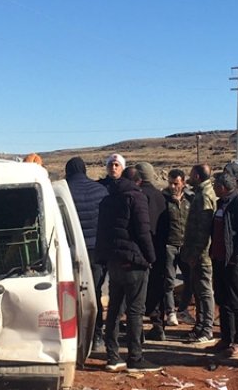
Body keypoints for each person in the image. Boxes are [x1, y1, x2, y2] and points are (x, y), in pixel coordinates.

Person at [94, 163, 159, 373]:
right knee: (134, 311)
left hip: (114, 260)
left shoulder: (107, 200)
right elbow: (143, 231)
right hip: (134, 261)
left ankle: (112, 356)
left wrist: (104, 257)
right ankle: (135, 356)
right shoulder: (136, 198)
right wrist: (150, 257)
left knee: (114, 309)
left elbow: (102, 233)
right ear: (138, 181)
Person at [64, 156, 110, 348]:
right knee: (94, 292)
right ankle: (96, 334)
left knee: (69, 293)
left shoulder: (62, 190)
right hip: (95, 250)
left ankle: (73, 334)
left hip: (70, 251)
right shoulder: (100, 190)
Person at [210, 172, 238, 357]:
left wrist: (236, 260)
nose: (213, 188)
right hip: (219, 260)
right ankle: (226, 338)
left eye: (215, 185)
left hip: (235, 263)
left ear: (223, 187)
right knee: (222, 301)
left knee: (237, 302)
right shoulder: (221, 204)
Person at [148, 168, 190, 340]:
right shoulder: (162, 199)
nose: (173, 186)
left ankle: (183, 310)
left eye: (176, 183)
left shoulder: (190, 200)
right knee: (169, 281)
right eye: (170, 183)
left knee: (190, 280)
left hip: (185, 246)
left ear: (183, 183)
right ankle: (170, 312)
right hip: (169, 245)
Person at [180, 164, 218, 345]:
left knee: (204, 292)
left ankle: (207, 328)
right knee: (198, 290)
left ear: (196, 175)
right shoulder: (200, 193)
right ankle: (200, 325)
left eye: (190, 174)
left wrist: (196, 253)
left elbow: (203, 230)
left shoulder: (204, 197)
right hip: (196, 253)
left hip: (201, 255)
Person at [131, 162, 168, 336]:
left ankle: (137, 330)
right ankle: (158, 325)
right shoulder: (161, 196)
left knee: (138, 290)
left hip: (142, 250)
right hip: (159, 248)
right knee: (157, 286)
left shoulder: (138, 196)